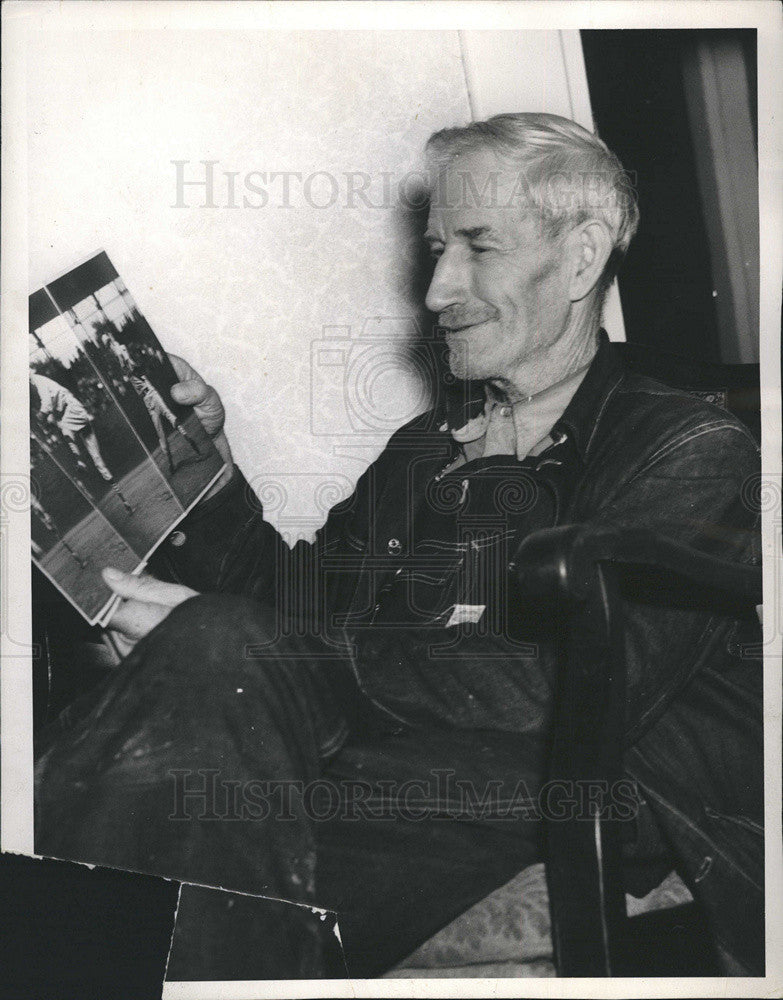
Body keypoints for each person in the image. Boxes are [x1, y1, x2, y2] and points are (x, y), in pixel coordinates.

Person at [34, 114, 763, 977]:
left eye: (476, 248)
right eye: (435, 251)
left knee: (195, 708)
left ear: (579, 257)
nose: (436, 290)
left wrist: (259, 656)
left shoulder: (687, 448)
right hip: (382, 765)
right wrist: (207, 477)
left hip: (566, 783)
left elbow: (555, 688)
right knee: (163, 749)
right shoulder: (431, 443)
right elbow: (307, 605)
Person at [30, 372, 134, 514]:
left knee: (64, 428)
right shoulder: (36, 383)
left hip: (73, 409)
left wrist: (42, 413)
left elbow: (47, 401)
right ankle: (124, 500)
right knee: (98, 463)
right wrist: (46, 416)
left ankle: (79, 459)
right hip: (66, 413)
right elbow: (51, 405)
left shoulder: (39, 380)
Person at [129, 371, 201, 474]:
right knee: (162, 428)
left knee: (167, 418)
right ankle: (171, 462)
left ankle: (192, 447)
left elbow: (132, 368)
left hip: (151, 393)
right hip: (148, 399)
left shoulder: (129, 365)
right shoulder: (126, 373)